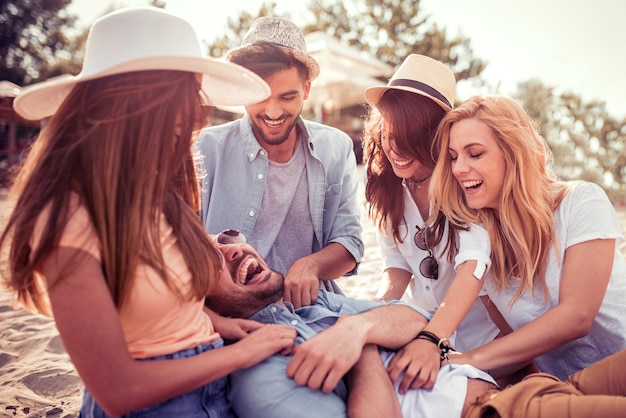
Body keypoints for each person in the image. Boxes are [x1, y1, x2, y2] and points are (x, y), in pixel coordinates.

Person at [0, 7, 297, 417]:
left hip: (212, 383)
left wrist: (217, 323)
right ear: (141, 101)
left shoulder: (154, 188)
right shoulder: (67, 217)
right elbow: (118, 389)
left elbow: (163, 294)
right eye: (189, 96)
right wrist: (240, 355)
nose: (199, 113)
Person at [206, 231, 626, 418]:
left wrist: (357, 329)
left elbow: (420, 319)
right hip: (495, 412)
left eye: (227, 238)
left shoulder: (311, 307)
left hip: (533, 388)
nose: (233, 251)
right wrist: (363, 349)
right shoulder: (258, 376)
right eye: (210, 259)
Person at [429, 94, 626, 380]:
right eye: (454, 157)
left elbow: (577, 316)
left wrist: (469, 359)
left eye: (475, 153)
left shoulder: (581, 202)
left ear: (513, 153)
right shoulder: (481, 249)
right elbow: (519, 347)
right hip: (573, 396)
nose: (458, 168)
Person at [195, 16, 363, 308]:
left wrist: (311, 265)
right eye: (260, 97)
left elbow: (350, 244)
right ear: (243, 91)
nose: (273, 112)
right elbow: (180, 246)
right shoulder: (206, 148)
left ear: (307, 90)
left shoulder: (336, 147)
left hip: (314, 307)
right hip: (231, 314)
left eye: (288, 97)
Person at [361, 54, 499, 390]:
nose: (395, 149)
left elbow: (474, 265)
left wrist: (432, 338)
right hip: (420, 329)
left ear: (437, 135)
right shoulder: (385, 184)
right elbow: (396, 264)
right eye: (388, 133)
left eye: (408, 137)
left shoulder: (461, 183)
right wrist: (380, 306)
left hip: (480, 342)